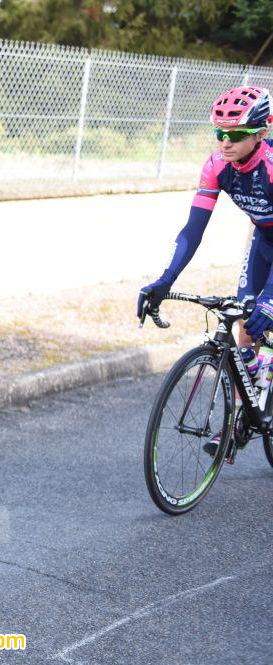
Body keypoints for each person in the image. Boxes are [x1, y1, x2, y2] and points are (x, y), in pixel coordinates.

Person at [138, 85, 273, 454]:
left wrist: (271, 300)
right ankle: (241, 420)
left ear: (263, 131)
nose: (225, 142)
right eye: (219, 133)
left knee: (267, 312)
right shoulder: (216, 165)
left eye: (236, 135)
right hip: (264, 242)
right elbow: (192, 232)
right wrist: (164, 281)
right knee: (246, 329)